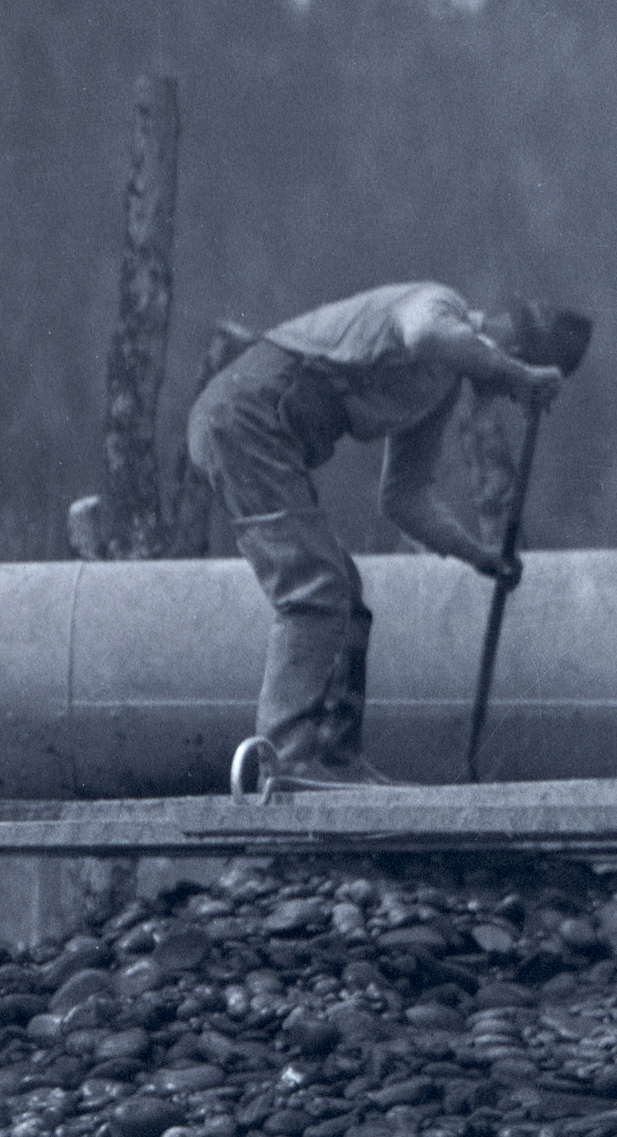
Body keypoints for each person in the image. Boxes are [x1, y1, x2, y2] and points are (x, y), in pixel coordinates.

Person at [184, 283, 588, 787]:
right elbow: (424, 335)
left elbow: (403, 496)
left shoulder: (439, 388)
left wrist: (478, 556)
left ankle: (334, 758)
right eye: (512, 383)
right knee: (315, 591)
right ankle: (283, 761)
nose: (506, 394)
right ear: (514, 348)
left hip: (265, 437)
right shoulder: (439, 307)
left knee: (346, 596)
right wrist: (520, 375)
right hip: (244, 419)